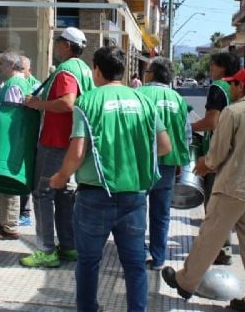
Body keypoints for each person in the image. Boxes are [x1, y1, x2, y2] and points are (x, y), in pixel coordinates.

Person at [48, 46, 171, 312]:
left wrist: (60, 177)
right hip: (135, 196)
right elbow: (164, 146)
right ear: (123, 71)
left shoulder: (88, 101)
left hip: (94, 196)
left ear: (97, 70)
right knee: (135, 264)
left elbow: (77, 152)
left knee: (89, 262)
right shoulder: (144, 101)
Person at [162, 69, 245, 312]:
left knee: (209, 237)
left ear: (241, 87)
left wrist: (204, 165)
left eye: (233, 84)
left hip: (233, 187)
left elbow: (217, 152)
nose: (230, 89)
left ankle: (185, 282)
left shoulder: (233, 112)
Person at [22, 27, 94, 268]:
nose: (54, 45)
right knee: (64, 195)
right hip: (73, 140)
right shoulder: (84, 69)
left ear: (66, 45)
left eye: (58, 41)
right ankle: (68, 246)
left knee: (43, 193)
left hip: (55, 141)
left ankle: (46, 250)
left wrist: (37, 104)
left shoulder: (66, 71)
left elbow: (67, 103)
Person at [139, 57, 191, 270]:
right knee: (161, 213)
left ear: (152, 74)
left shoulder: (139, 94)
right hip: (168, 163)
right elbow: (185, 134)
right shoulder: (177, 99)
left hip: (141, 163)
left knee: (138, 209)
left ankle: (139, 253)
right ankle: (158, 258)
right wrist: (181, 162)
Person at [191, 51, 240, 265]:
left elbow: (212, 122)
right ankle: (223, 248)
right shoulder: (237, 87)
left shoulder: (218, 87)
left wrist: (188, 127)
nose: (210, 69)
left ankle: (220, 251)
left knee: (213, 204)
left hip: (217, 152)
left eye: (212, 65)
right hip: (235, 150)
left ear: (221, 67)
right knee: (223, 204)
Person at [0, 52, 30, 240]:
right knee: (3, 183)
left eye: (2, 65)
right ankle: (5, 222)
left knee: (8, 184)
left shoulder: (14, 85)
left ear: (11, 65)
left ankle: (10, 226)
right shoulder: (15, 84)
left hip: (9, 142)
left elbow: (11, 117)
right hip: (10, 141)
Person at [19, 54, 39, 226]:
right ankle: (13, 211)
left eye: (21, 69)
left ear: (29, 70)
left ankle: (25, 212)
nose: (18, 72)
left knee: (26, 173)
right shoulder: (14, 82)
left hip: (30, 138)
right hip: (18, 137)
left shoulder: (36, 86)